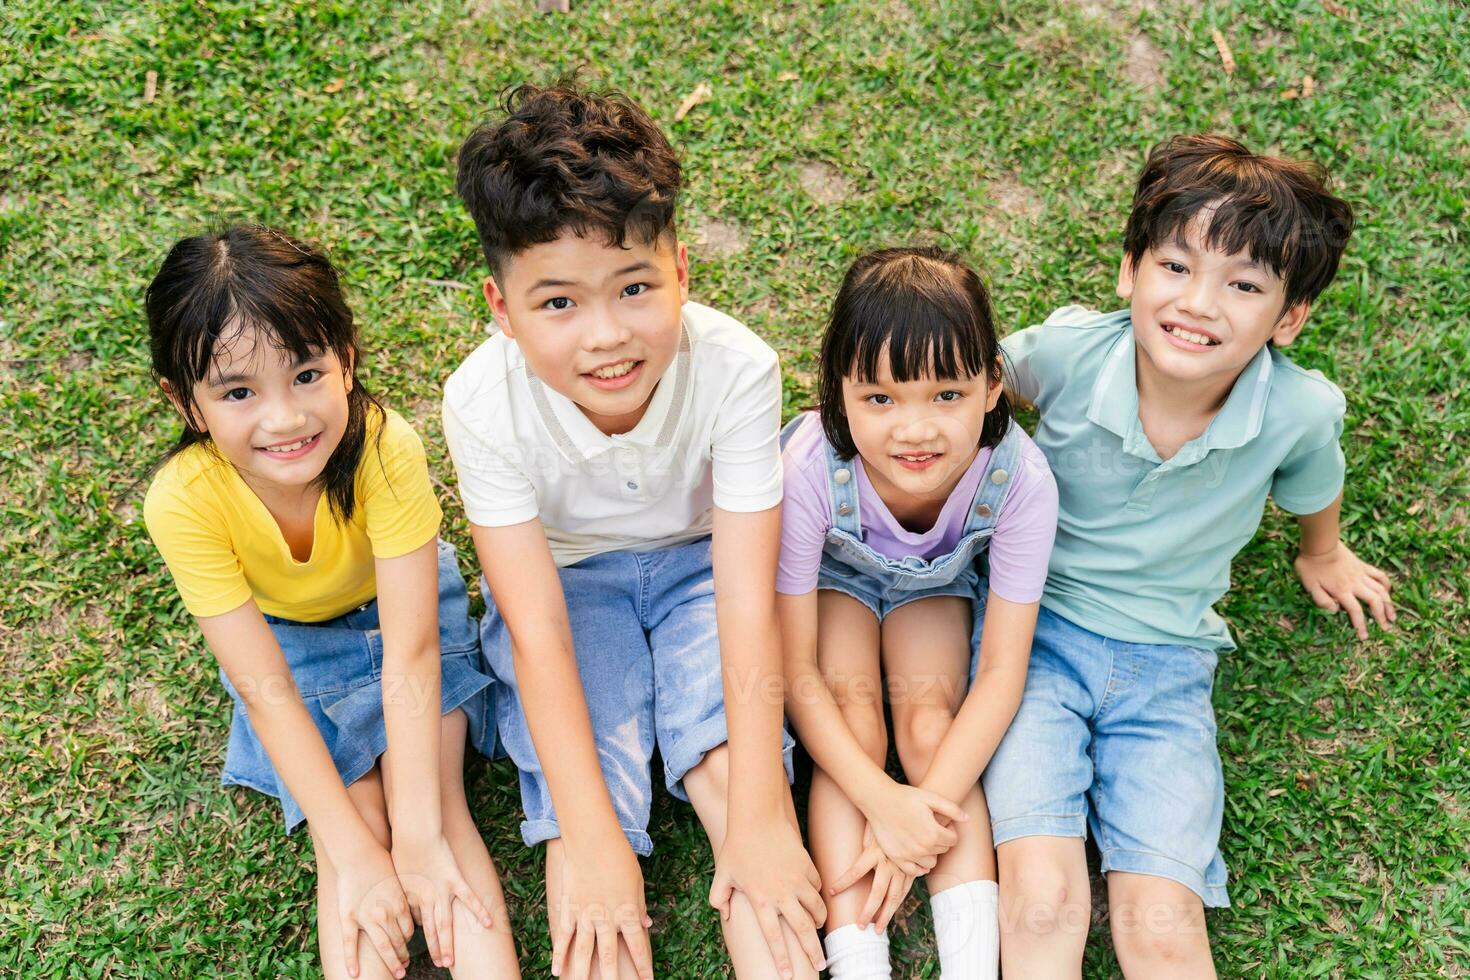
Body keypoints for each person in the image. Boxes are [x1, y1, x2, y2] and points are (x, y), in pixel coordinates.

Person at [988, 135, 1396, 976]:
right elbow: (973, 383)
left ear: (1289, 318)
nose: (1201, 304)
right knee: (1038, 893)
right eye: (1176, 268)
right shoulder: (1066, 355)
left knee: (1165, 921)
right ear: (1129, 271)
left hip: (1169, 667)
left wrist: (1322, 552)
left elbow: (1313, 482)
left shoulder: (1299, 411)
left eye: (1244, 285)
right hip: (1027, 641)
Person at [443, 82, 825, 980]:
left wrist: (766, 818)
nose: (606, 336)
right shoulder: (480, 402)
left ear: (682, 272)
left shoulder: (737, 368)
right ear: (501, 310)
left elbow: (742, 595)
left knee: (739, 781)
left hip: (702, 570)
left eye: (635, 287)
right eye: (559, 304)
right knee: (588, 847)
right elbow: (533, 632)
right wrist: (597, 841)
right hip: (571, 586)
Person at [142, 226, 520, 980]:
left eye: (306, 375)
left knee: (438, 813)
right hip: (292, 645)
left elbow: (411, 648)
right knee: (345, 835)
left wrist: (415, 840)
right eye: (239, 392)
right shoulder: (181, 502)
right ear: (185, 402)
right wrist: (356, 852)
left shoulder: (385, 446)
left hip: (405, 615)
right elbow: (264, 686)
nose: (285, 419)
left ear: (346, 359)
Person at [777, 248, 1058, 979]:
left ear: (993, 385)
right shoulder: (807, 469)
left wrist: (920, 816)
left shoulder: (1020, 480)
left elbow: (1001, 671)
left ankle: (971, 964)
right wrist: (883, 805)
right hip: (834, 583)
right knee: (853, 722)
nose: (914, 431)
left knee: (933, 727)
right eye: (880, 399)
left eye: (946, 395)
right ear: (837, 392)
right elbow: (793, 668)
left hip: (934, 590)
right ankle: (858, 956)